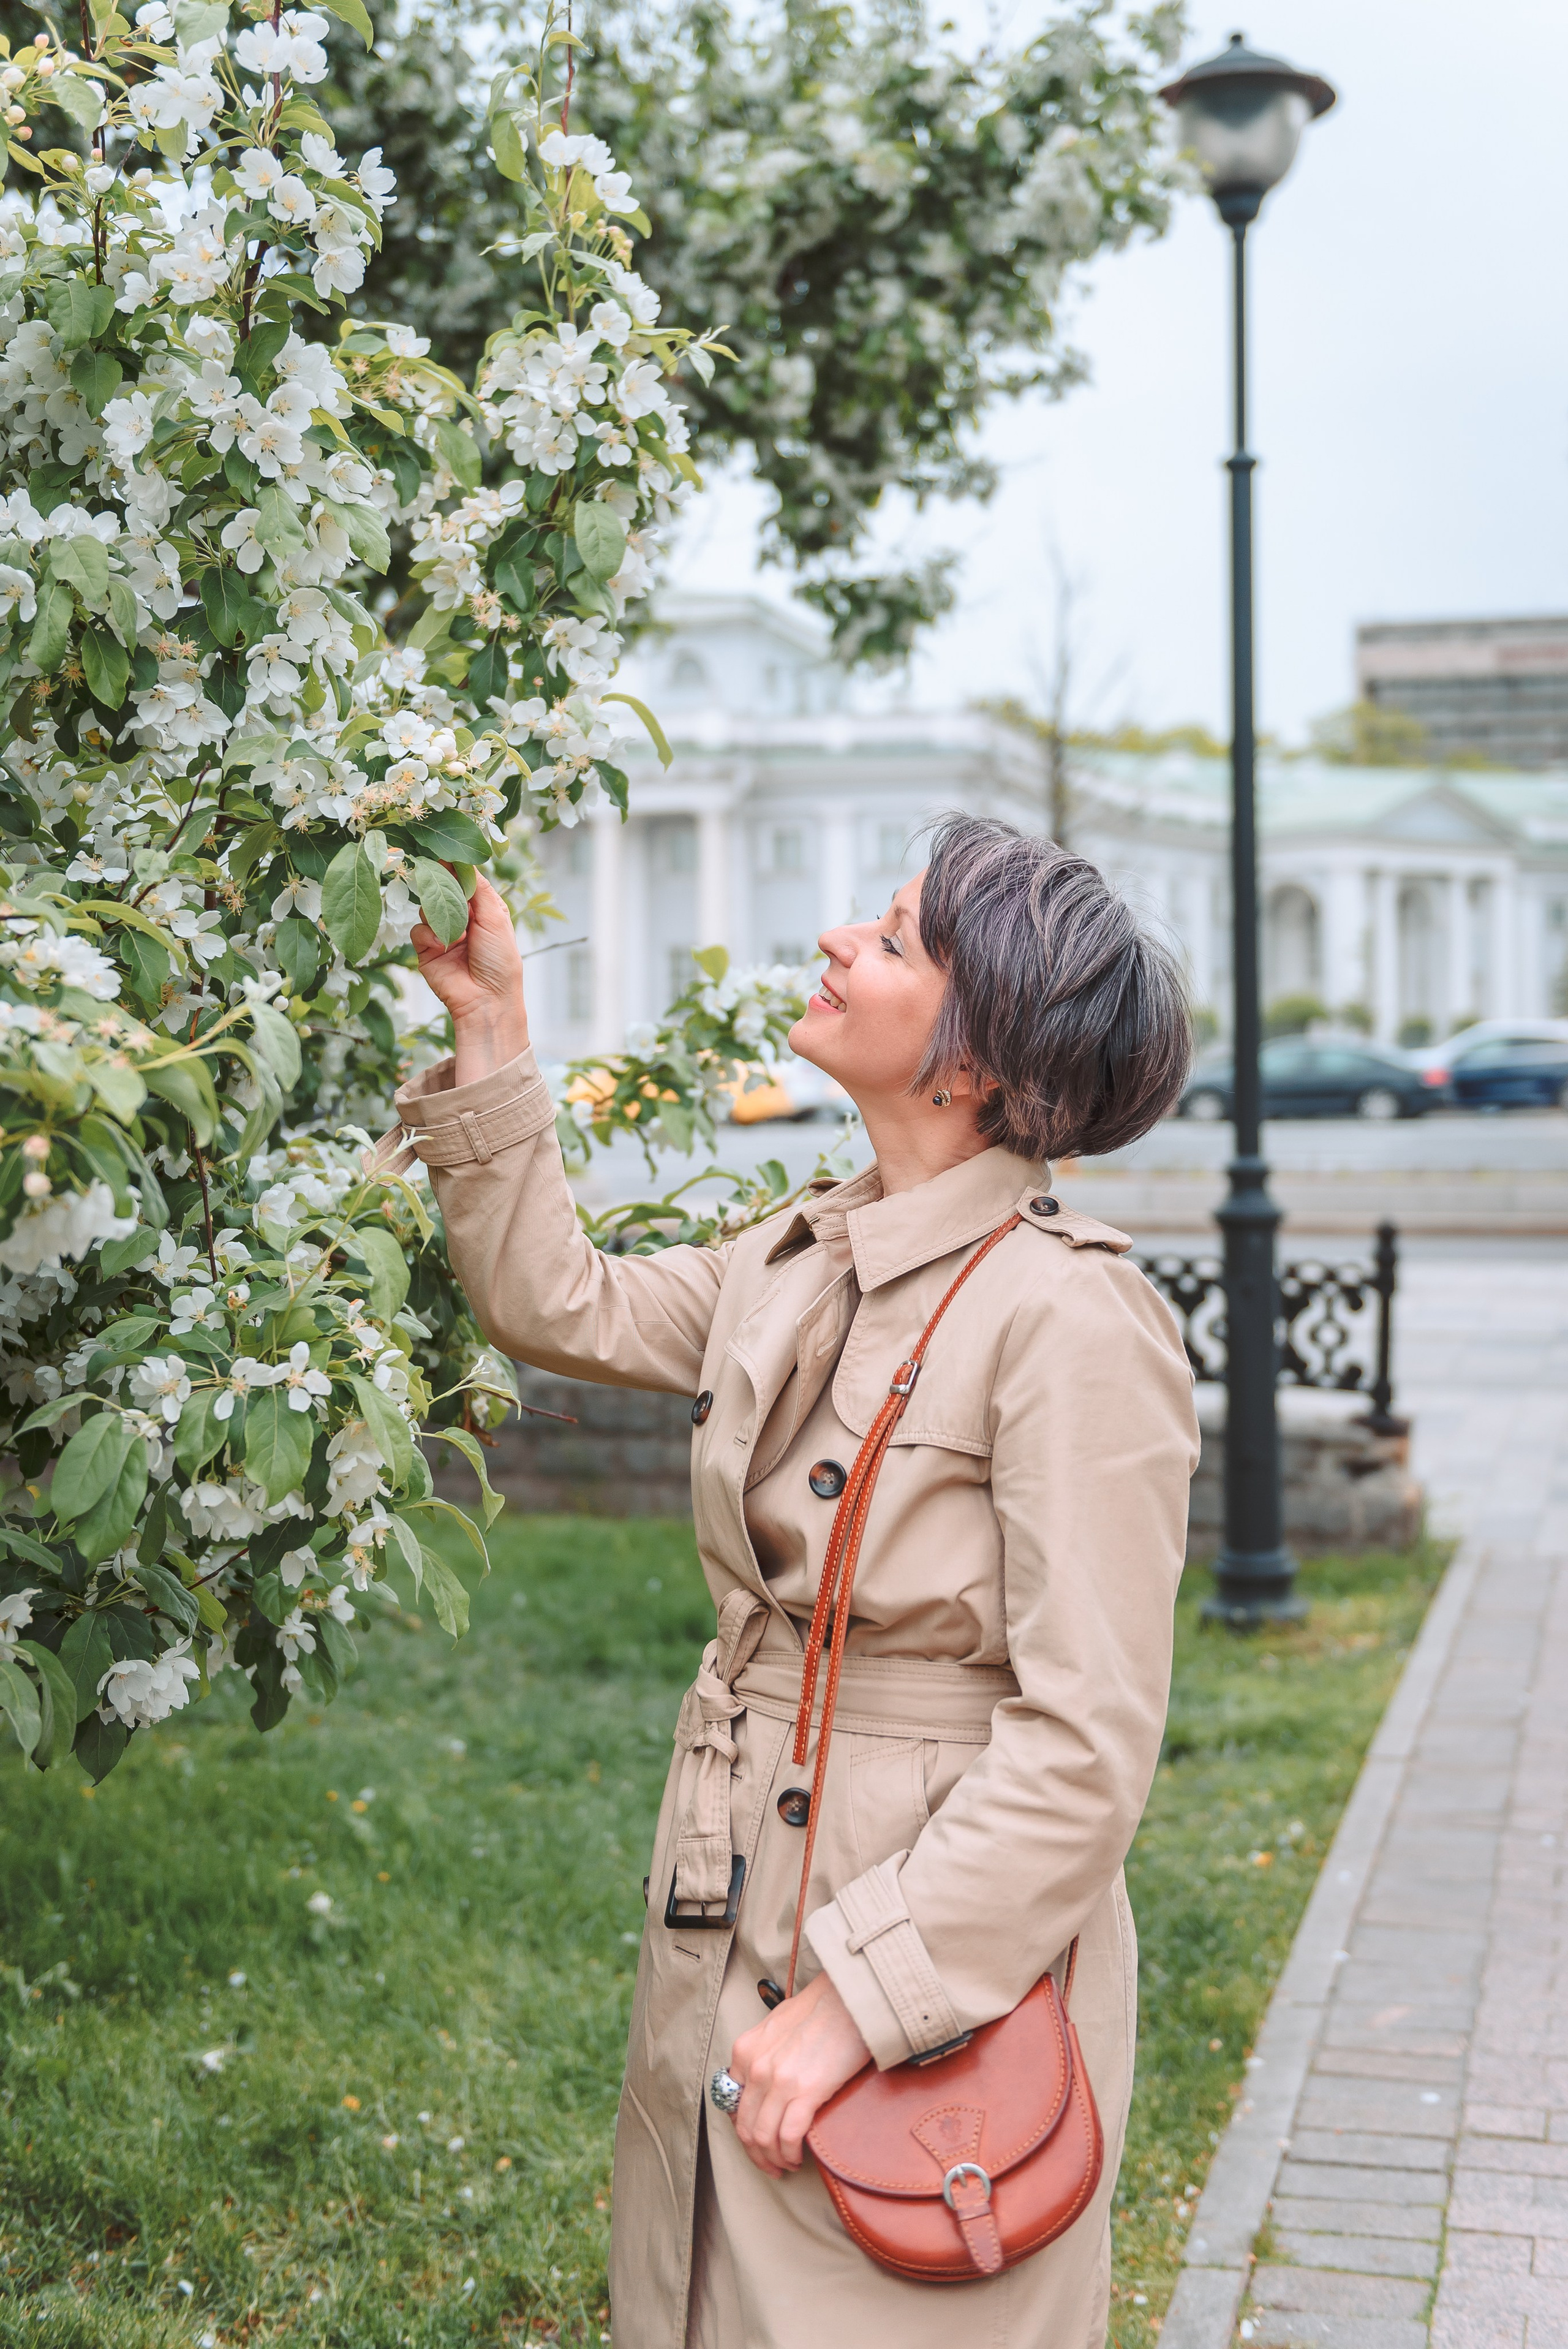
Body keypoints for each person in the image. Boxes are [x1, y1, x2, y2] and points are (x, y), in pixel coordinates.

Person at [391, 814, 1199, 2349]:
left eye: (891, 941)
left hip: (931, 1892)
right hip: (734, 1845)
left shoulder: (1073, 1320)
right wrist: (490, 1027)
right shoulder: (801, 1253)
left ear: (972, 1059)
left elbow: (1086, 1744)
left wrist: (864, 2001)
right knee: (697, 2290)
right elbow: (558, 1301)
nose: (835, 940)